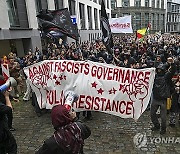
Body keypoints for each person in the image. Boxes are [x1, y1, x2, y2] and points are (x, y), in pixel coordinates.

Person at [150, 57, 176, 135]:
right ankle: (157, 125)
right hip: (155, 98)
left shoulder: (166, 77)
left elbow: (172, 71)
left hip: (163, 99)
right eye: (158, 69)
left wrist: (173, 64)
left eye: (160, 69)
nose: (159, 70)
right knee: (152, 114)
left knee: (163, 116)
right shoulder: (155, 76)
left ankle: (163, 129)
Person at [0, 78, 17, 154]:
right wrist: (7, 97)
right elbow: (9, 109)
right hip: (2, 130)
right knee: (12, 146)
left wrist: (11, 97)